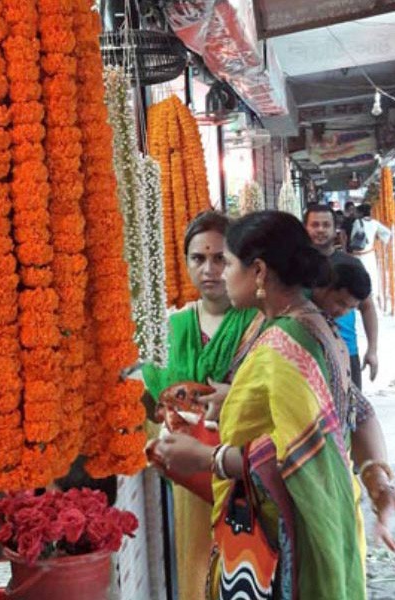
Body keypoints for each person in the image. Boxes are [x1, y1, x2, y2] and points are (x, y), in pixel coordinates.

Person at [153, 211, 395, 599]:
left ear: (259, 272)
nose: (219, 273)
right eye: (202, 259)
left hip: (286, 537)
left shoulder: (285, 342)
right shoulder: (303, 324)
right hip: (316, 520)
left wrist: (208, 458)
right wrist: (377, 478)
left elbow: (289, 453)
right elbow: (358, 409)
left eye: (228, 262)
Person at [141, 211, 260, 600]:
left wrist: (235, 399)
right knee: (194, 568)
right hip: (189, 479)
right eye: (198, 258)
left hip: (248, 469)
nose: (208, 269)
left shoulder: (261, 324)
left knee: (250, 568)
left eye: (220, 258)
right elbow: (150, 399)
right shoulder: (171, 328)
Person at [305, 204, 380, 387]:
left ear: (334, 229)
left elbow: (367, 306)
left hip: (346, 349)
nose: (320, 230)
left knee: (351, 412)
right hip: (306, 351)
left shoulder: (351, 264)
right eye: (315, 225)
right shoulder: (295, 266)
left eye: (326, 225)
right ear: (305, 228)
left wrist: (372, 350)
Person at [348, 204, 392, 302]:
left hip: (358, 254)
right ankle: (372, 296)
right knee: (371, 274)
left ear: (361, 213)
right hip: (369, 253)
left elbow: (353, 238)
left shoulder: (357, 222)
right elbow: (387, 233)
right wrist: (377, 238)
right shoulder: (375, 223)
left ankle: (359, 295)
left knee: (359, 274)